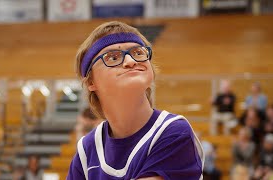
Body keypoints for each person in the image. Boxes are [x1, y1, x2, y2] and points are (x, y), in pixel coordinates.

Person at [67, 21, 204, 180]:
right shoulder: (86, 150)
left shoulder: (173, 131)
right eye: (113, 57)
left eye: (138, 53)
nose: (131, 61)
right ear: (91, 82)